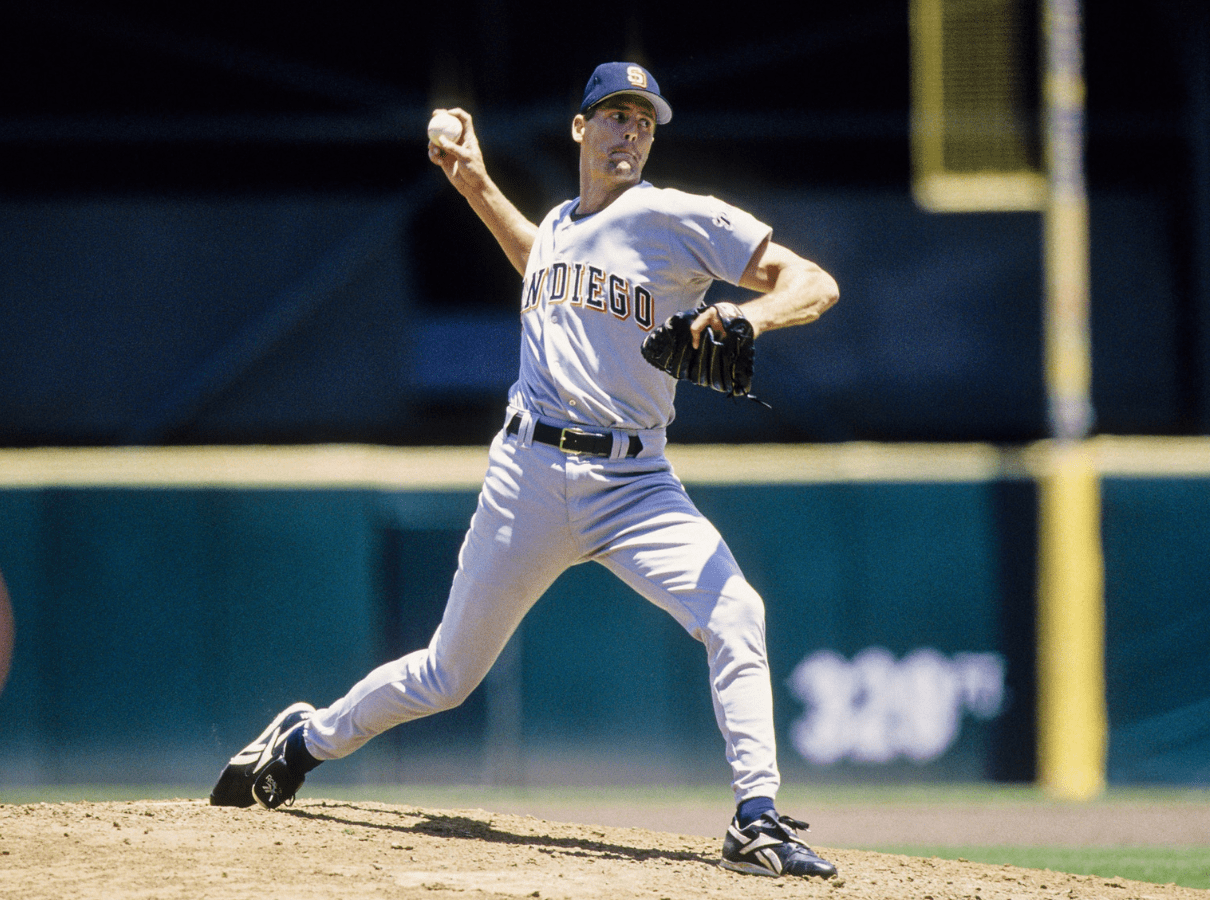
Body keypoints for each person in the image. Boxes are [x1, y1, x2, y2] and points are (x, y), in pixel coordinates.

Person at [210, 61, 840, 879]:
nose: (631, 132)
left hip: (635, 485)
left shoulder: (677, 217)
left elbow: (812, 282)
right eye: (614, 115)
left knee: (737, 614)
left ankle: (756, 817)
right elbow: (538, 258)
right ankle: (303, 741)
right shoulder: (560, 227)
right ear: (580, 128)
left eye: (644, 120)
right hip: (527, 476)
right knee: (446, 675)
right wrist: (472, 182)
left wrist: (746, 318)